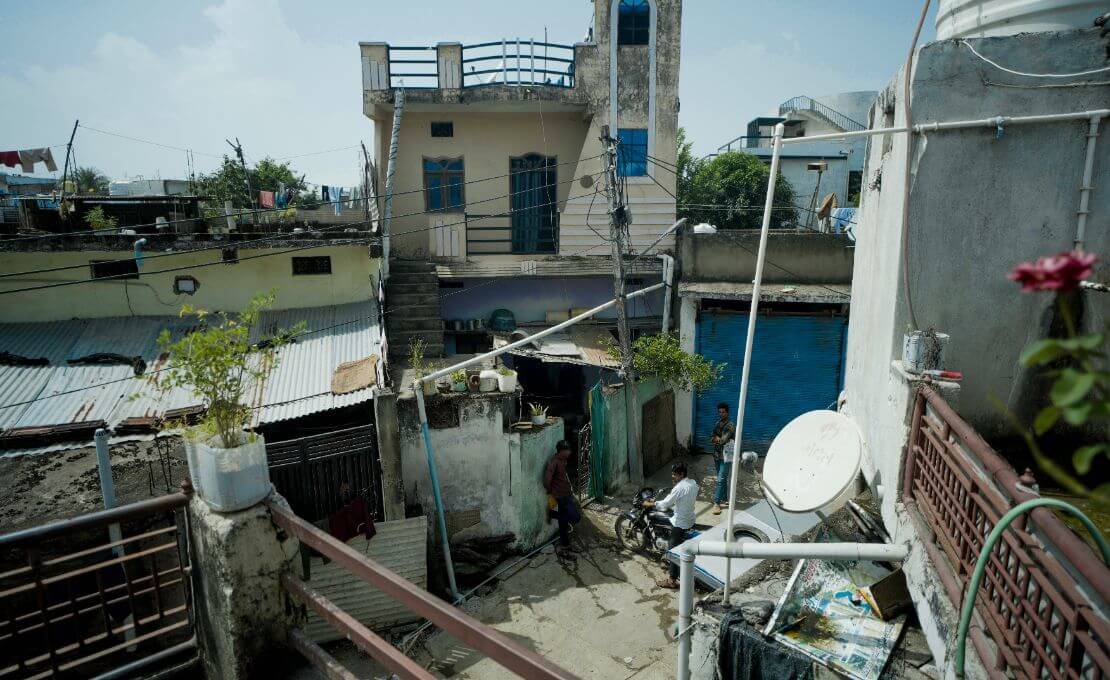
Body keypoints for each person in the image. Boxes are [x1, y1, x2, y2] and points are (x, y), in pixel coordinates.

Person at [643, 462, 698, 589]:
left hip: (681, 522)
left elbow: (666, 503)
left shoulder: (679, 488)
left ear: (681, 474)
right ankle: (667, 559)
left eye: (674, 474)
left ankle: (672, 580)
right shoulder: (693, 483)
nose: (672, 476)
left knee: (674, 550)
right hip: (690, 518)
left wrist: (651, 503)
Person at [544, 440, 580, 554]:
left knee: (563, 523)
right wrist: (551, 490)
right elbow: (547, 480)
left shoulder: (564, 460)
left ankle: (565, 544)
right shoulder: (553, 462)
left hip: (566, 493)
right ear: (562, 451)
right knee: (576, 517)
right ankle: (553, 514)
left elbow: (563, 476)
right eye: (568, 450)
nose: (570, 452)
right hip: (560, 496)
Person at [711, 402, 736, 515]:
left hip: (726, 455)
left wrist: (717, 439)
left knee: (721, 479)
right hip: (717, 454)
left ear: (727, 413)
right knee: (722, 478)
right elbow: (711, 437)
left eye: (723, 412)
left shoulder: (730, 425)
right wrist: (716, 439)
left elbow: (723, 440)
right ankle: (725, 499)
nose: (721, 414)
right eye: (720, 412)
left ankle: (717, 503)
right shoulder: (717, 423)